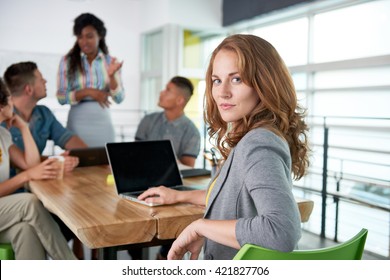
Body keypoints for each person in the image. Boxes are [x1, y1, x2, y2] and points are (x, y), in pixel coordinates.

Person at [138, 34, 310, 260]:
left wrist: (201, 227)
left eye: (236, 79)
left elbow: (281, 232)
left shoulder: (259, 143)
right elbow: (227, 198)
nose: (222, 92)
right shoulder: (253, 138)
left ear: (264, 83)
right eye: (217, 80)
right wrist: (177, 196)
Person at [3, 61, 87, 259]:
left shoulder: (11, 132)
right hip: (17, 199)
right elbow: (28, 170)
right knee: (31, 205)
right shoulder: (4, 128)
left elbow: (29, 165)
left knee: (29, 230)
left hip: (26, 200)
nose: (12, 102)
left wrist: (24, 128)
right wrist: (30, 173)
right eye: (8, 98)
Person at [57, 13, 125, 147]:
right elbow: (61, 97)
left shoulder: (111, 62)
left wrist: (111, 77)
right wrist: (88, 91)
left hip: (103, 122)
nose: (84, 42)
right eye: (80, 37)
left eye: (89, 36)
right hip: (77, 122)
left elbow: (119, 98)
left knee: (105, 163)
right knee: (79, 163)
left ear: (100, 36)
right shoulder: (67, 61)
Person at [135, 76, 200, 167]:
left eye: (168, 90)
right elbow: (135, 154)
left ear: (179, 100)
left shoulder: (192, 132)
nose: (161, 92)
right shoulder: (148, 120)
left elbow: (188, 169)